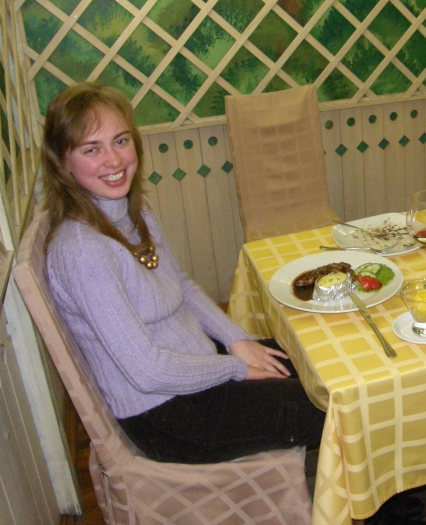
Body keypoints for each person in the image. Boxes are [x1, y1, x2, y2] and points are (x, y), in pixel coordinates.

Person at [41, 82, 325, 464]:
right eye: (92, 149)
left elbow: (184, 288)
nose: (114, 160)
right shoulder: (81, 250)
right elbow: (148, 372)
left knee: (321, 365)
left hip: (195, 369)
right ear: (63, 162)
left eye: (121, 141)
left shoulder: (132, 212)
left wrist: (236, 339)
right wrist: (236, 368)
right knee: (332, 406)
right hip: (171, 415)